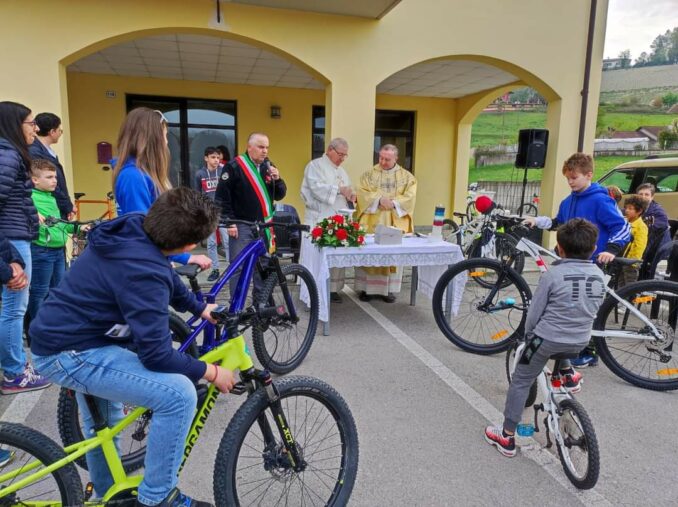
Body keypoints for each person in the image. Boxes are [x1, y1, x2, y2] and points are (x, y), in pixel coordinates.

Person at [30, 187, 236, 507]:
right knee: (179, 395)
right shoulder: (144, 271)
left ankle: (107, 495)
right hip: (71, 351)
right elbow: (156, 354)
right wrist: (210, 371)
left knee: (104, 426)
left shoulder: (138, 229)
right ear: (188, 246)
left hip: (69, 335)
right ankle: (157, 498)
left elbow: (168, 277)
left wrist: (199, 308)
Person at [484, 218, 606, 458]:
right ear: (594, 248)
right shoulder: (599, 275)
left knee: (521, 378)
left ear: (559, 248)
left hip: (546, 340)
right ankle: (568, 374)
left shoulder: (553, 275)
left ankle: (506, 436)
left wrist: (528, 336)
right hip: (580, 340)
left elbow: (534, 315)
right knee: (564, 344)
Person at [524, 153, 630, 367]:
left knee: (587, 307)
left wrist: (611, 249)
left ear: (589, 175)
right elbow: (558, 222)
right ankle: (573, 347)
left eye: (575, 177)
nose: (570, 182)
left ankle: (589, 352)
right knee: (571, 303)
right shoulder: (568, 201)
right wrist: (536, 221)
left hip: (596, 262)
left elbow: (622, 226)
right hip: (573, 262)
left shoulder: (601, 200)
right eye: (568, 178)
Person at [112, 107, 210, 270]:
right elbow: (145, 230)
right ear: (152, 139)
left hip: (152, 259)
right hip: (143, 264)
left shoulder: (143, 174)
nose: (166, 142)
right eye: (164, 136)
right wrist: (184, 256)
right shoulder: (133, 177)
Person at [0, 101, 51, 395]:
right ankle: (15, 372)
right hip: (11, 241)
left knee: (12, 308)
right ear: (12, 125)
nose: (35, 128)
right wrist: (10, 258)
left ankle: (15, 366)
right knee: (14, 308)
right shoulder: (7, 155)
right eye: (30, 123)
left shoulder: (9, 154)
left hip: (12, 238)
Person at [215, 132, 287, 297]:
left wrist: (278, 179)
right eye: (261, 147)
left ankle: (260, 305)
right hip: (242, 226)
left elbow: (279, 195)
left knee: (264, 265)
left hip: (265, 226)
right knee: (238, 268)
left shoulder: (268, 166)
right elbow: (221, 198)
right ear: (249, 147)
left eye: (267, 147)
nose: (265, 151)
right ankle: (236, 307)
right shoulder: (234, 166)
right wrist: (229, 222)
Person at [354, 144, 417, 303]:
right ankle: (366, 290)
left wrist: (394, 203)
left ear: (396, 158)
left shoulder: (407, 177)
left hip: (395, 222)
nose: (382, 162)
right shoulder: (368, 175)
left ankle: (388, 290)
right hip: (372, 221)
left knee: (391, 255)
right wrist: (378, 200)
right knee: (370, 254)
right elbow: (362, 193)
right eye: (381, 158)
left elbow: (411, 196)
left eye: (387, 159)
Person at [26, 159, 84, 323]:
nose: (55, 181)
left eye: (55, 177)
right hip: (41, 249)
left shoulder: (52, 198)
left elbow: (60, 225)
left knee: (59, 290)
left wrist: (79, 228)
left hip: (59, 250)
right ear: (35, 180)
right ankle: (36, 329)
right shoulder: (29, 198)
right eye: (49, 177)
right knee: (39, 291)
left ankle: (54, 325)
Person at [300, 137, 356, 303]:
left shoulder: (342, 171)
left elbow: (347, 190)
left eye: (345, 156)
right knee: (317, 257)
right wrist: (339, 190)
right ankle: (313, 289)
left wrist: (350, 195)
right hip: (319, 218)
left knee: (336, 257)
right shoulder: (315, 166)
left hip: (338, 219)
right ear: (330, 150)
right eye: (340, 154)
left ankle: (333, 289)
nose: (342, 159)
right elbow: (316, 189)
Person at [28, 112, 75, 219]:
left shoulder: (45, 151)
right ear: (52, 131)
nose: (60, 133)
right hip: (48, 203)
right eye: (60, 130)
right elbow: (51, 183)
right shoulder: (35, 152)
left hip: (54, 201)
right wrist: (67, 205)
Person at [194, 147, 229, 281]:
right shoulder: (200, 174)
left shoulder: (223, 172)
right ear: (206, 158)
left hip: (223, 213)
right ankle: (215, 269)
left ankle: (231, 268)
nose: (216, 160)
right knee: (211, 243)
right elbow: (197, 195)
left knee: (227, 241)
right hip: (209, 214)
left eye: (218, 158)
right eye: (213, 157)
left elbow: (228, 192)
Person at [637, 182, 671, 278]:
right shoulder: (635, 208)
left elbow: (646, 232)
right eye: (641, 194)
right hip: (643, 247)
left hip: (655, 252)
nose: (643, 197)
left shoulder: (658, 212)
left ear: (652, 197)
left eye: (646, 194)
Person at [617, 195, 648, 287]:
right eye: (626, 208)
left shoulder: (641, 227)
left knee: (630, 284)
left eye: (631, 209)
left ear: (639, 211)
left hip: (631, 262)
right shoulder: (626, 221)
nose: (627, 210)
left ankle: (630, 300)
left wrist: (633, 261)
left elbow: (639, 246)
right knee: (621, 284)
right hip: (623, 259)